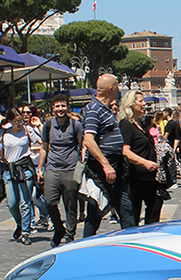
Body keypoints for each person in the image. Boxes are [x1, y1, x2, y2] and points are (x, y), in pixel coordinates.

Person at [82, 74, 135, 237]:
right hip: (103, 168)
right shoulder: (93, 109)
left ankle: (130, 241)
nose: (119, 90)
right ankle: (86, 244)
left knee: (118, 209)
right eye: (118, 87)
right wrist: (106, 165)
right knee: (99, 210)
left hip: (114, 167)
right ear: (111, 89)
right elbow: (89, 140)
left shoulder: (104, 109)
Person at [38, 92, 84, 246]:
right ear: (53, 109)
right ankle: (59, 228)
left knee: (70, 204)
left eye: (63, 105)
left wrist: (81, 164)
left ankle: (70, 233)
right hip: (52, 168)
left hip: (70, 169)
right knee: (50, 201)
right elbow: (44, 148)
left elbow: (81, 145)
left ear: (67, 107)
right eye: (57, 106)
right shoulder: (48, 125)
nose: (60, 108)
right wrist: (40, 168)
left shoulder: (75, 125)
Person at [0, 108, 41, 244]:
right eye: (16, 121)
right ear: (10, 122)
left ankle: (26, 232)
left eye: (21, 120)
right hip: (10, 170)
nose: (20, 123)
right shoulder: (3, 133)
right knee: (12, 203)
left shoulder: (27, 130)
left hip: (25, 168)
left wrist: (38, 125)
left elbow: (43, 141)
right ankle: (20, 224)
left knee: (25, 202)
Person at [119, 91, 163, 224]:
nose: (144, 104)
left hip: (149, 176)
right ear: (131, 104)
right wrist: (144, 162)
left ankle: (149, 232)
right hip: (135, 176)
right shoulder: (126, 124)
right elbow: (125, 150)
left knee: (156, 204)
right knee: (134, 211)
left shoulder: (141, 124)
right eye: (140, 101)